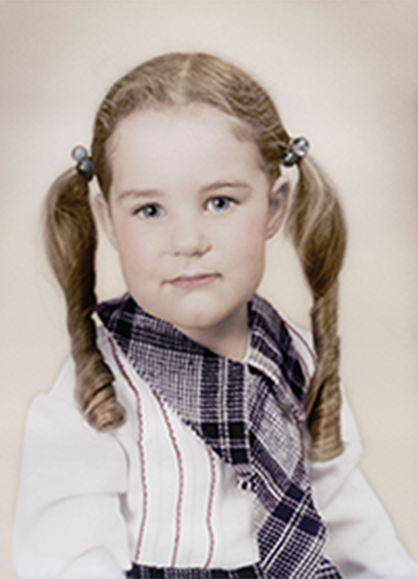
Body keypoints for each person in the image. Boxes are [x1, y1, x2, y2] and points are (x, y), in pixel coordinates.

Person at [13, 52, 418, 579]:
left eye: (220, 202)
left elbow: (350, 525)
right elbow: (64, 559)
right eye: (150, 210)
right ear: (107, 219)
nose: (188, 241)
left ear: (274, 207)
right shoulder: (97, 386)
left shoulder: (297, 359)